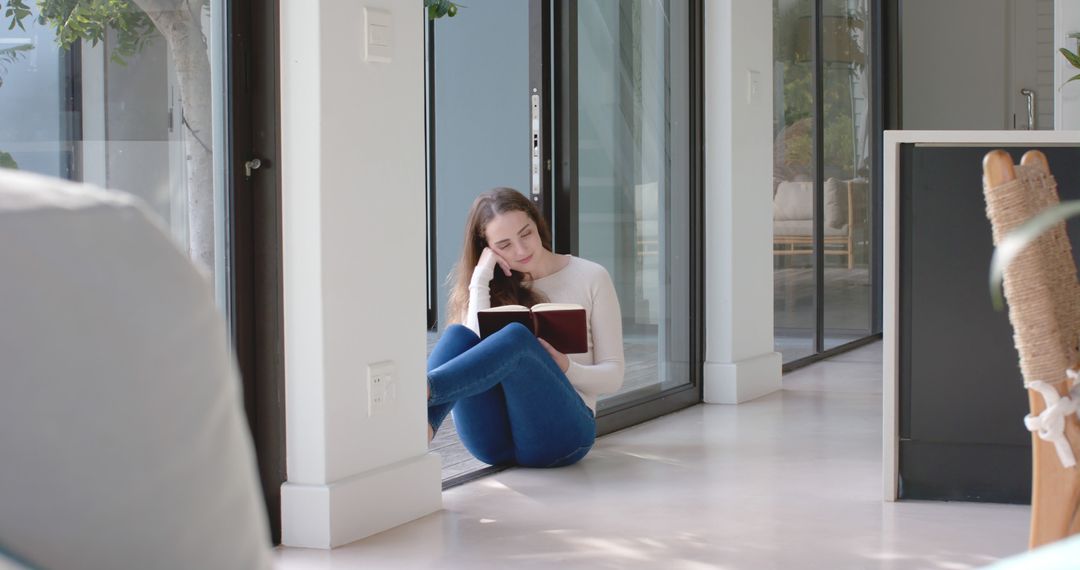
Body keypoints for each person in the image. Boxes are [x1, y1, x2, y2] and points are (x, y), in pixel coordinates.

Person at [427, 187, 625, 468]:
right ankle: (424, 425)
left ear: (537, 223)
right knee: (458, 335)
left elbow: (613, 377)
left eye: (525, 234)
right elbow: (470, 347)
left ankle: (423, 390)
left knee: (517, 337)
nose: (520, 250)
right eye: (504, 245)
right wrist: (480, 280)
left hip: (563, 437)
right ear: (487, 248)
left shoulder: (591, 276)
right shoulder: (484, 288)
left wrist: (566, 367)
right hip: (494, 443)